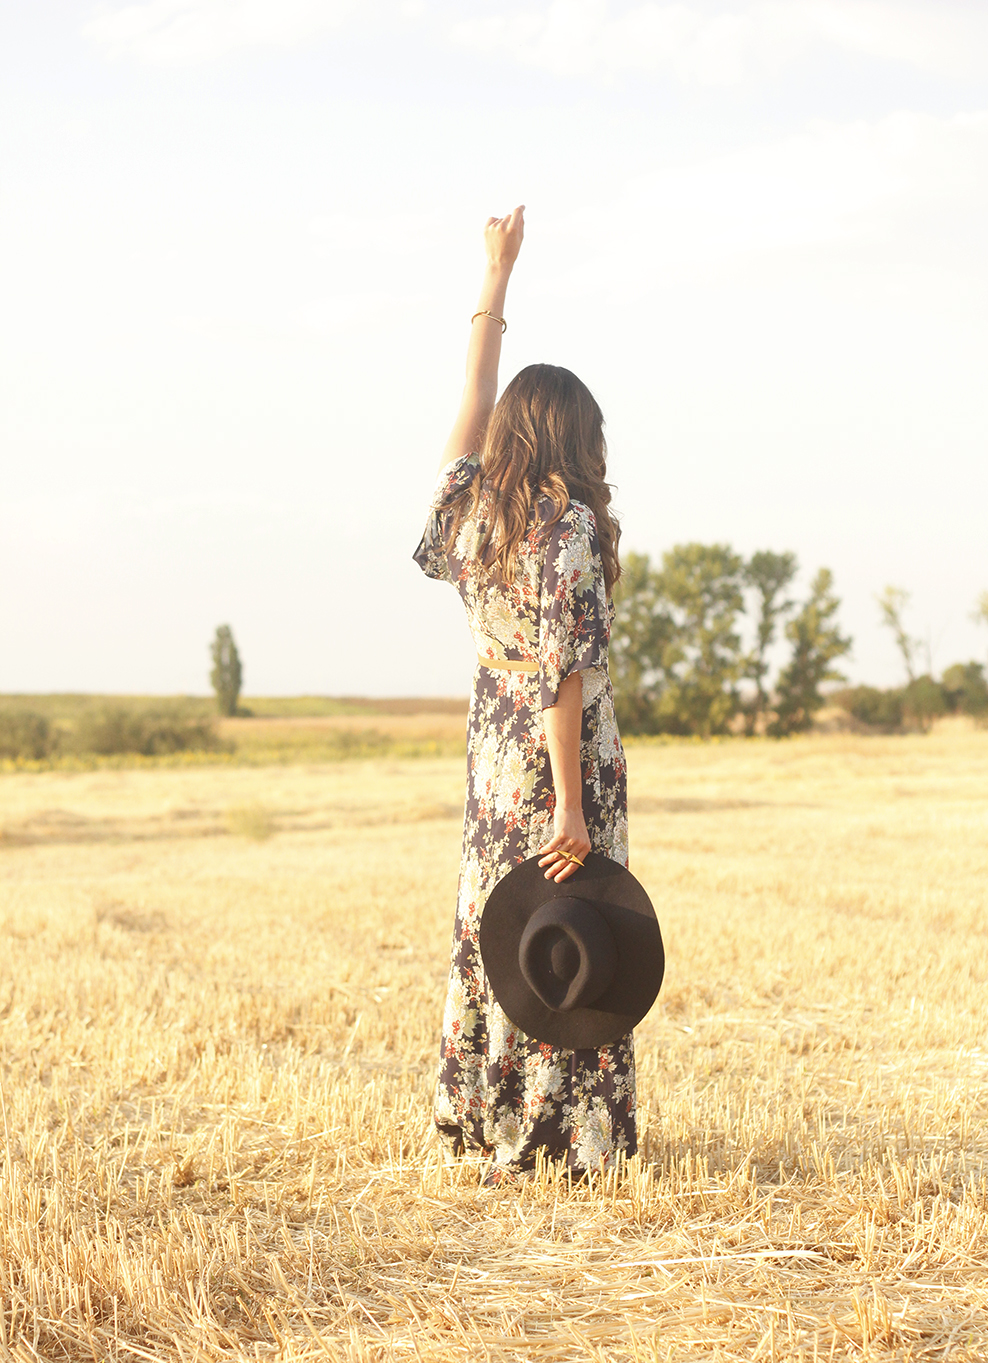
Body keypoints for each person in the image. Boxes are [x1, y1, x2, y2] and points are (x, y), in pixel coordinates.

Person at [414, 206, 634, 1182]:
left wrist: (492, 279)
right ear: (575, 436)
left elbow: (469, 396)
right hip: (552, 750)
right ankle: (564, 1137)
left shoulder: (474, 510)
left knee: (499, 927)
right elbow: (563, 676)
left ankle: (490, 1121)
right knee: (576, 923)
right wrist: (576, 806)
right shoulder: (567, 527)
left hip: (489, 746)